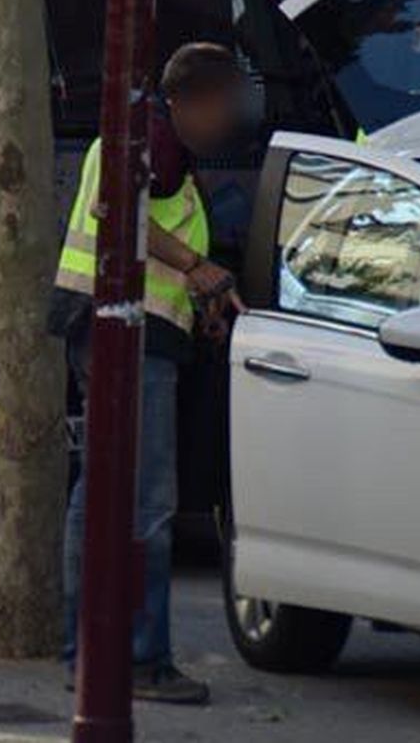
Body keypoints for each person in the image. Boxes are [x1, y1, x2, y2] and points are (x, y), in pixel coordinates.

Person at [53, 41, 247, 703]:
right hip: (128, 334)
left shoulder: (148, 140)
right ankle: (138, 656)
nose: (231, 121)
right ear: (198, 100)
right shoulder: (152, 143)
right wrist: (195, 265)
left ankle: (90, 647)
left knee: (100, 494)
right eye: (227, 105)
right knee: (148, 502)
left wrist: (199, 299)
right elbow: (123, 213)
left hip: (113, 325)